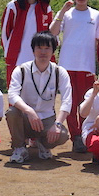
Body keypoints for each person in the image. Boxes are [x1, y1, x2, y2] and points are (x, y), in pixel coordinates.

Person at [50, 0, 99, 153]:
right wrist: (62, 11)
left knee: (86, 102)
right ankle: (76, 136)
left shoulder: (97, 15)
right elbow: (53, 32)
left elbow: (98, 41)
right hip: (67, 64)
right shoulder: (66, 13)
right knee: (70, 103)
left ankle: (86, 133)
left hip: (87, 65)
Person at [6, 31, 72, 163]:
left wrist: (57, 124)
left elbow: (67, 100)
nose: (43, 52)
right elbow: (12, 95)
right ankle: (19, 148)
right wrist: (28, 110)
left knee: (63, 135)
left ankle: (43, 144)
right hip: (25, 119)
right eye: (39, 48)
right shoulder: (21, 70)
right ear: (33, 50)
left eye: (47, 48)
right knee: (12, 112)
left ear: (53, 51)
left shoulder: (60, 72)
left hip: (47, 119)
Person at [1, 0, 52, 86]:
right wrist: (9, 52)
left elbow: (50, 33)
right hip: (18, 57)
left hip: (40, 56)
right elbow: (5, 33)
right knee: (16, 91)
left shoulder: (45, 7)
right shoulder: (13, 6)